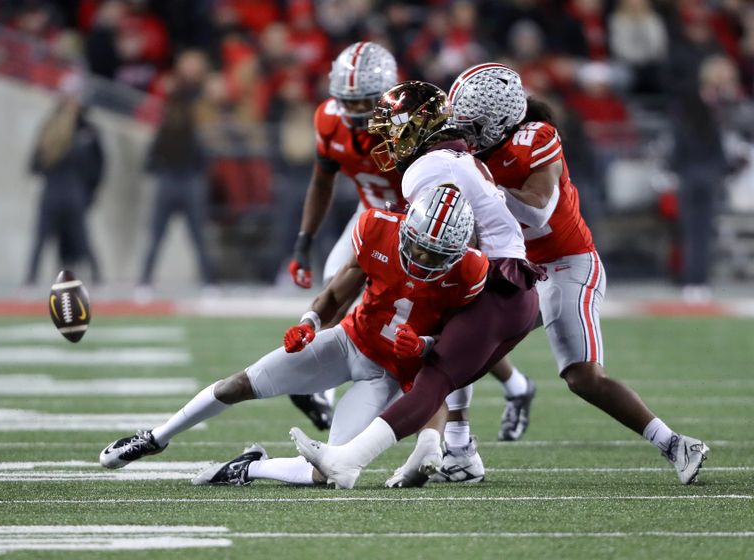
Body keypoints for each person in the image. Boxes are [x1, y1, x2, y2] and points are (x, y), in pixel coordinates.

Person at [100, 186, 489, 489]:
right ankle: (156, 436)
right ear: (407, 227)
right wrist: (309, 324)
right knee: (241, 384)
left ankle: (250, 468)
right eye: (419, 246)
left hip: (386, 377)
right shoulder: (378, 228)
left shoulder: (471, 272)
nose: (422, 258)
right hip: (349, 341)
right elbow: (338, 294)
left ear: (458, 253)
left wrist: (423, 346)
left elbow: (459, 349)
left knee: (335, 472)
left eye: (435, 255)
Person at [438, 63, 709, 485]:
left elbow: (539, 210)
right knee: (450, 342)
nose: (467, 134)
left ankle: (676, 443)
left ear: (501, 120)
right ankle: (459, 453)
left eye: (474, 125)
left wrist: (481, 184)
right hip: (516, 267)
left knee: (582, 378)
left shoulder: (537, 136)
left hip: (566, 264)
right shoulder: (472, 151)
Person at [291, 80, 543, 489]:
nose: (388, 138)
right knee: (443, 368)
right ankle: (457, 454)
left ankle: (347, 460)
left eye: (394, 127)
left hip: (494, 284)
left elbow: (450, 239)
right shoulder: (454, 155)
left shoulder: (428, 167)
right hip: (506, 284)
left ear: (417, 126)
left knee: (434, 378)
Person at [284, 41, 401, 430]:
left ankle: (512, 386)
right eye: (346, 101)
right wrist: (304, 240)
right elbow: (321, 182)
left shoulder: (408, 123)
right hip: (370, 216)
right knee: (335, 289)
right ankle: (322, 391)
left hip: (418, 222)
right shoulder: (329, 119)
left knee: (439, 319)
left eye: (362, 101)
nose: (352, 111)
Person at [136, 50, 217, 296]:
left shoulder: (202, 97)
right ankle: (145, 281)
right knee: (156, 234)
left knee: (198, 235)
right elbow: (160, 130)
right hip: (169, 174)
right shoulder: (171, 97)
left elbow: (205, 122)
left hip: (191, 175)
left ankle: (210, 282)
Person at [25, 73, 104, 285]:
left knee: (81, 238)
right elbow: (34, 163)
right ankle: (30, 279)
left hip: (75, 191)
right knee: (42, 237)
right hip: (54, 188)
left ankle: (97, 278)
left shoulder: (87, 129)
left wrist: (90, 192)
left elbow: (98, 166)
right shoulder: (51, 125)